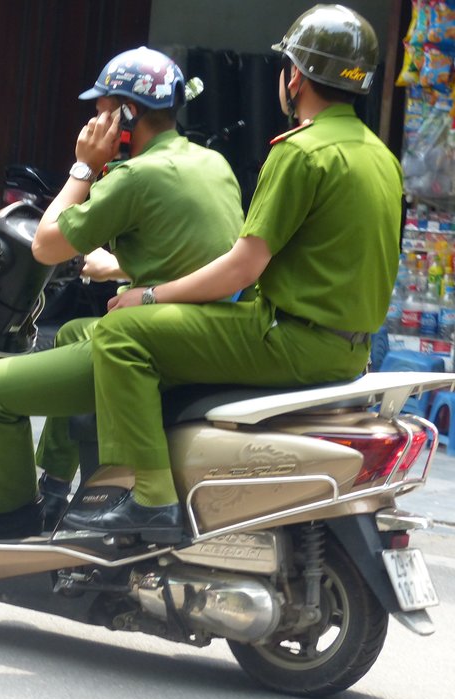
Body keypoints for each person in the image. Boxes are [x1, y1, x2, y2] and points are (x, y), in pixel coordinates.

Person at [60, 4, 402, 538]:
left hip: (289, 339)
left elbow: (242, 268)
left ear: (295, 76)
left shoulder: (302, 152)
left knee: (124, 334)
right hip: (352, 347)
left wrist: (148, 296)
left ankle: (150, 498)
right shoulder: (380, 156)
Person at [0, 47, 244, 542]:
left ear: (127, 114)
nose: (94, 120)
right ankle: (58, 484)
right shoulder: (211, 163)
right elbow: (199, 251)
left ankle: (12, 513)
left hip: (156, 345)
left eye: (103, 108)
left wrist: (83, 167)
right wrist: (124, 264)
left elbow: (45, 245)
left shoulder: (133, 176)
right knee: (71, 333)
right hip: (202, 330)